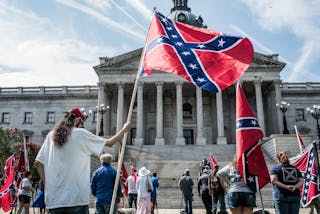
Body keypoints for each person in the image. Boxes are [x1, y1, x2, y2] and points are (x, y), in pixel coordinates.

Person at [34, 107, 131, 213]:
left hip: (54, 200)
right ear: (77, 120)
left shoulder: (50, 136)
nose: (82, 126)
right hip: (77, 199)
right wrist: (124, 130)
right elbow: (109, 143)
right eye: (82, 122)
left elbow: (38, 163)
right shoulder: (81, 134)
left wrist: (47, 185)